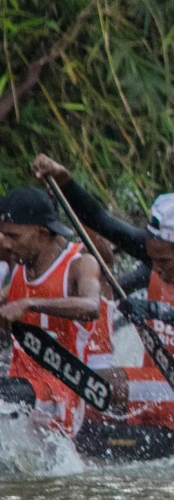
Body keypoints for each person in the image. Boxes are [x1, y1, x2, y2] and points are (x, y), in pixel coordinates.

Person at [38, 162, 174, 454]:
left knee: (99, 384)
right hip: (152, 388)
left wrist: (156, 310)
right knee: (78, 397)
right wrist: (66, 182)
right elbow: (102, 221)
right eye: (152, 261)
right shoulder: (159, 249)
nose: (156, 269)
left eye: (164, 262)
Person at [0, 186, 108, 441]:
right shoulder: (20, 266)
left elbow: (92, 306)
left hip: (61, 392)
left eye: (13, 236)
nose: (5, 243)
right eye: (4, 235)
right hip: (21, 383)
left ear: (41, 233)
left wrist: (30, 304)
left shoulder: (81, 264)